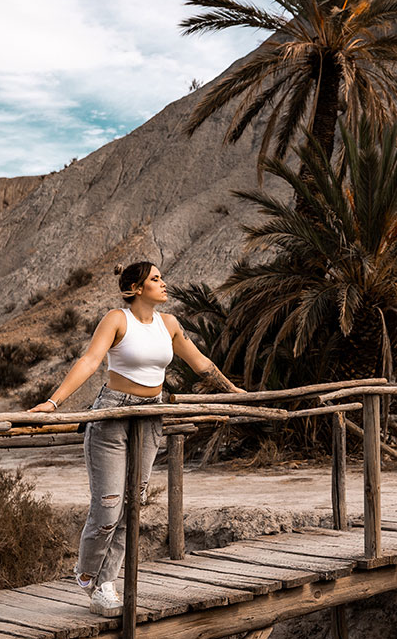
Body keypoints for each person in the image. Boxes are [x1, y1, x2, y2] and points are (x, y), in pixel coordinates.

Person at [28, 261, 243, 615]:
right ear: (137, 288)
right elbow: (90, 360)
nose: (163, 283)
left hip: (150, 416)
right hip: (113, 416)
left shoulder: (169, 324)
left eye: (161, 278)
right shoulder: (117, 319)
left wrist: (234, 391)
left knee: (133, 505)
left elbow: (200, 362)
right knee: (109, 507)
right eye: (156, 279)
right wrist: (54, 402)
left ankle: (105, 584)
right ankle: (87, 572)